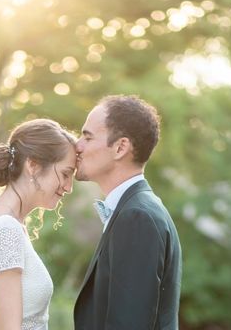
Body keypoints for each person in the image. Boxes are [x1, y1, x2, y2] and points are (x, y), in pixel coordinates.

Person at [73, 95, 182, 330]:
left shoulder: (137, 218)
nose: (77, 146)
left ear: (120, 147)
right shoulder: (134, 209)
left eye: (87, 137)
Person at [0, 118, 77, 330]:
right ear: (33, 165)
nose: (69, 187)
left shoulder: (8, 224)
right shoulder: (4, 229)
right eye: (65, 173)